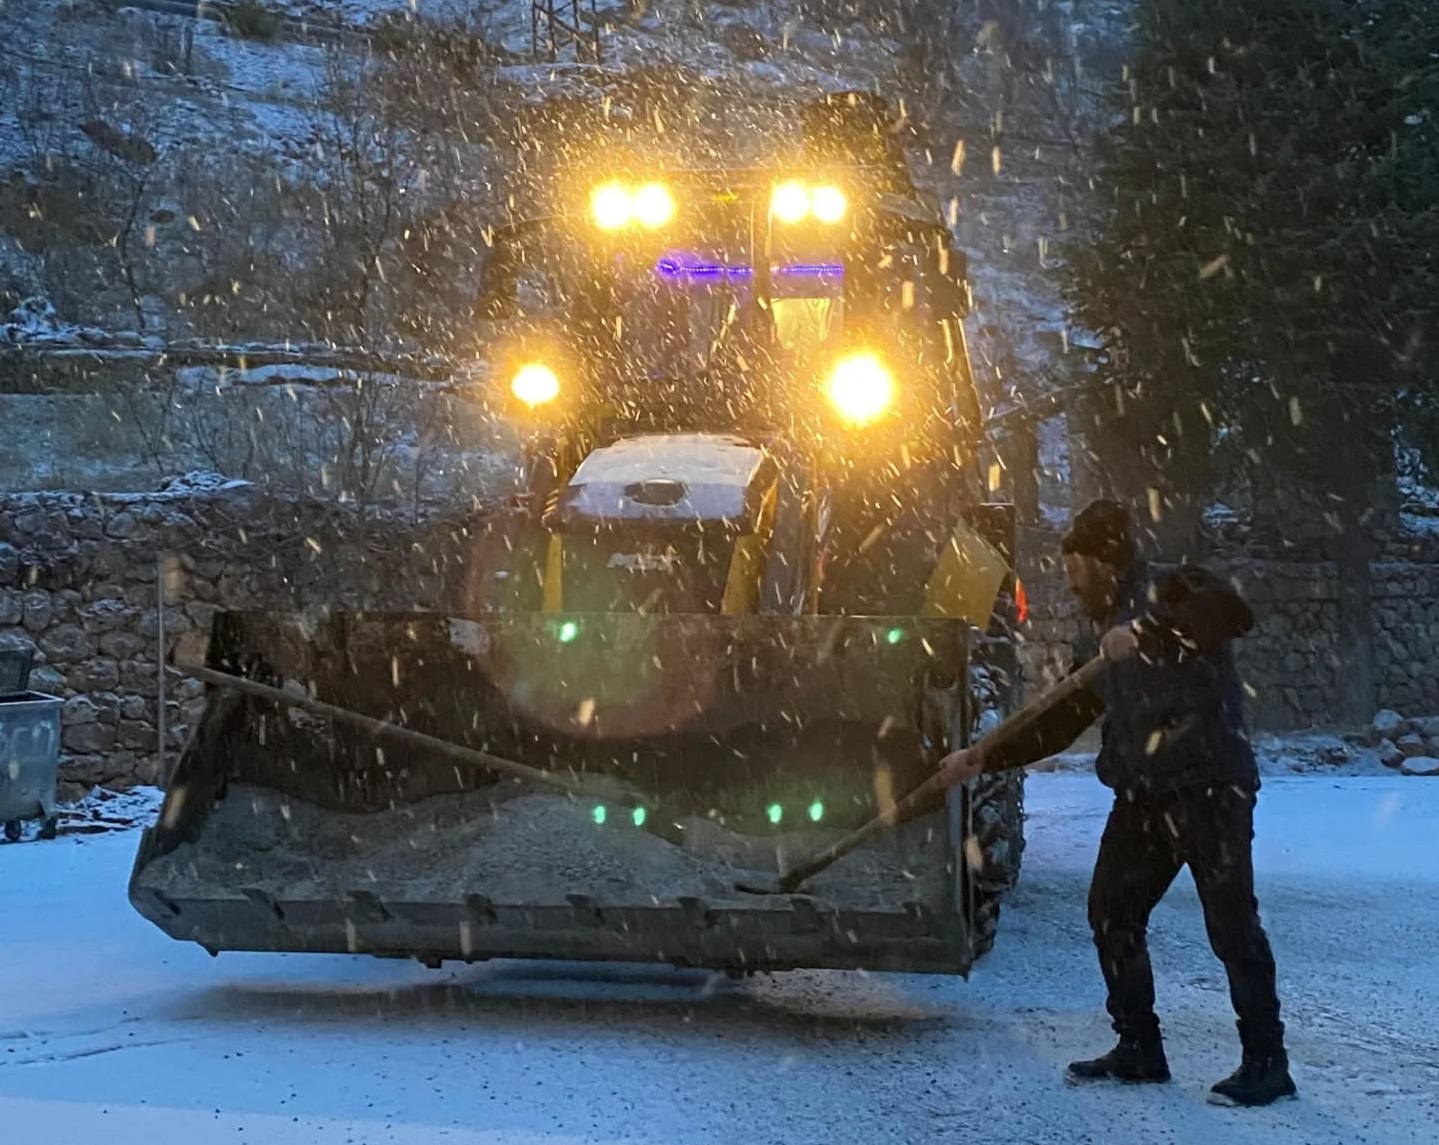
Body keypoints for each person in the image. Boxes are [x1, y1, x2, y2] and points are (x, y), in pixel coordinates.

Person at [939, 499, 1296, 1108]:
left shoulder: (1173, 587)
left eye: (1075, 566)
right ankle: (1139, 1047)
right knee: (1112, 911)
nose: (1070, 582)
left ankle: (1267, 1062)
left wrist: (1152, 629)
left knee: (1231, 925)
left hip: (1210, 788)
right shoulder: (1097, 635)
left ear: (1105, 559)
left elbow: (1233, 612)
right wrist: (983, 757)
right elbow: (1062, 720)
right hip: (1143, 798)